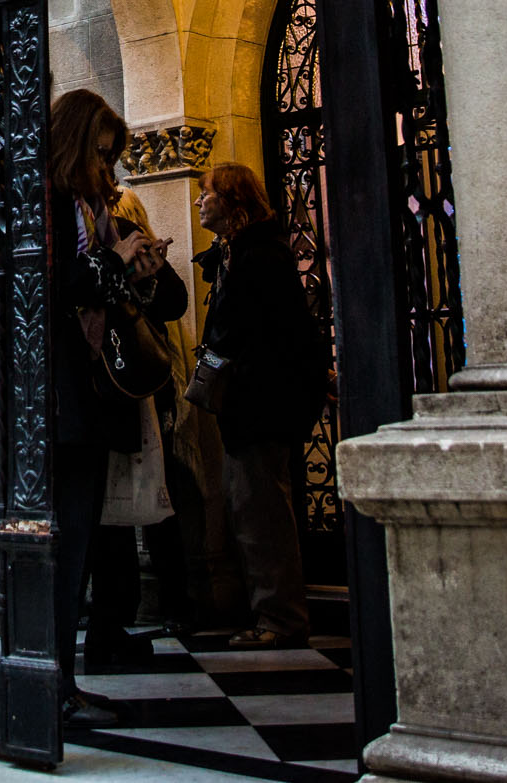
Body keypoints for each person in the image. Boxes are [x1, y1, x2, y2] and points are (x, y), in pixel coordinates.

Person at [47, 90, 185, 722]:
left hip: (105, 396)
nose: (110, 169)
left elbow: (170, 303)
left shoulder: (105, 214)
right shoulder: (47, 205)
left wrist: (144, 267)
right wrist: (111, 261)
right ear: (76, 145)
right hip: (59, 399)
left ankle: (65, 682)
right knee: (64, 542)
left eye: (114, 156)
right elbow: (50, 287)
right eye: (101, 154)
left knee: (85, 539)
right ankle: (51, 683)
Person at [195, 162, 323, 652]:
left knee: (262, 512)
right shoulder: (243, 255)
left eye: (207, 194)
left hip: (260, 405)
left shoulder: (259, 258)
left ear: (233, 203)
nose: (200, 202)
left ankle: (280, 618)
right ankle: (272, 611)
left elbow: (261, 335)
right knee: (252, 509)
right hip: (253, 405)